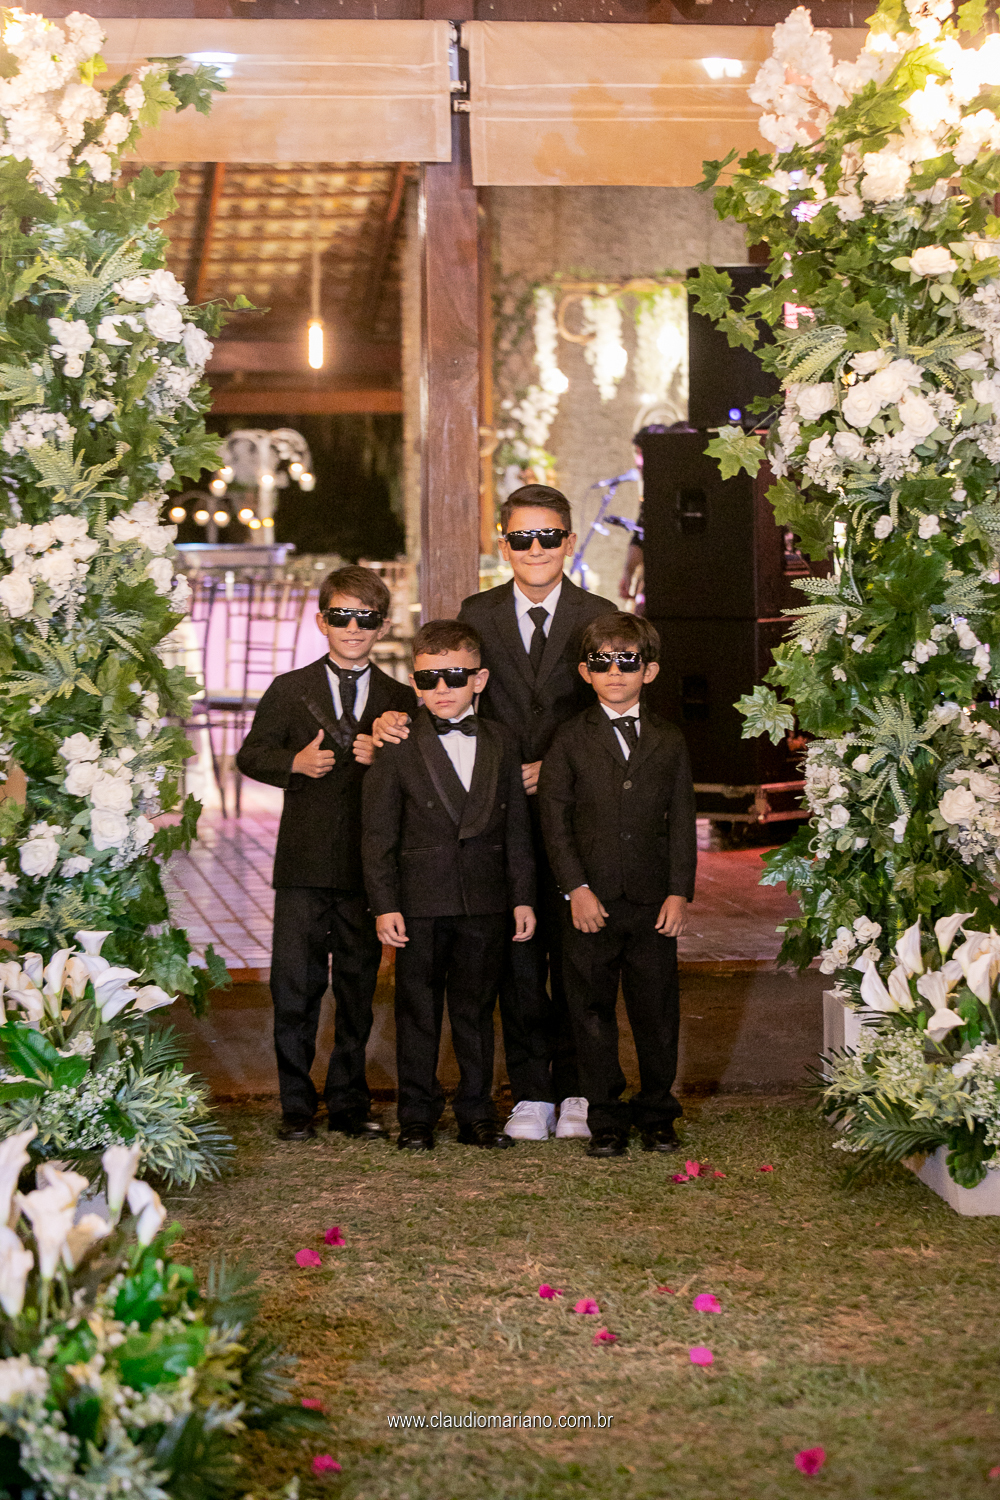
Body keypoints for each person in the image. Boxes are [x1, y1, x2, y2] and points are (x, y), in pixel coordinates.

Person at [373, 484, 615, 1143]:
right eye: (521, 538)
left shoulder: (598, 614)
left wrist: (557, 769)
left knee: (578, 958)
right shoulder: (477, 612)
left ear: (568, 541)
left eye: (548, 537)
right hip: (494, 818)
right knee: (516, 961)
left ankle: (578, 1089)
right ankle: (532, 1092)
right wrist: (395, 715)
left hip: (574, 815)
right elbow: (446, 675)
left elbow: (607, 707)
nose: (535, 549)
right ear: (503, 544)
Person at [236, 565, 417, 1143]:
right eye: (341, 616)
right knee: (295, 989)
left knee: (358, 991)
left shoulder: (400, 698)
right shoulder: (289, 688)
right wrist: (293, 762)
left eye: (366, 618)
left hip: (367, 871)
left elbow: (422, 773)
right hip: (303, 866)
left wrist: (384, 758)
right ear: (322, 621)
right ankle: (296, 1105)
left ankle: (348, 1102)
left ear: (382, 626)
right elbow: (250, 754)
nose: (353, 628)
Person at [362, 618, 536, 1152]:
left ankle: (477, 1113)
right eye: (427, 679)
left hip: (485, 899)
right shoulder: (395, 743)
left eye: (454, 676)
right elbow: (378, 833)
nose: (441, 688)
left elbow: (516, 827)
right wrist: (384, 904)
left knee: (476, 1010)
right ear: (414, 681)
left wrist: (522, 896)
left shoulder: (502, 740)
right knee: (417, 1010)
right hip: (418, 903)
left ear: (479, 680)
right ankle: (416, 1116)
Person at [537, 612, 697, 1159]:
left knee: (657, 1012)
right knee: (589, 1012)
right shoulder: (568, 738)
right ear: (585, 672)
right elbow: (554, 819)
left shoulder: (669, 739)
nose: (615, 673)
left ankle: (657, 1114)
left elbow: (682, 819)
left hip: (653, 903)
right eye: (602, 663)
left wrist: (679, 890)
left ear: (649, 671)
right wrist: (575, 888)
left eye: (627, 662)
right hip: (591, 904)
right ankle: (604, 1117)